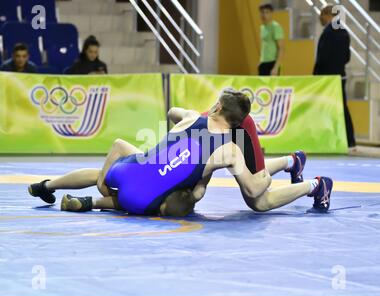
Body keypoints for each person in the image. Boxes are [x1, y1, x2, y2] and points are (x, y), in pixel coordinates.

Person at [28, 89, 333, 216]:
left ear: (215, 107)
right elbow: (255, 183)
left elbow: (173, 111)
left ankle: (309, 178)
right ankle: (304, 174)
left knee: (257, 201)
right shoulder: (228, 149)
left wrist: (180, 127)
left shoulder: (192, 117)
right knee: (248, 192)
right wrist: (263, 176)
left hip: (132, 168)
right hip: (143, 194)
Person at [313, 4, 356, 148]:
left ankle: (328, 141)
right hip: (340, 75)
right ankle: (350, 140)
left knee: (326, 108)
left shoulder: (328, 33)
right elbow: (347, 57)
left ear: (327, 15)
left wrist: (316, 74)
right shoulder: (344, 32)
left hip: (327, 78)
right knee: (343, 108)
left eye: (322, 17)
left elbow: (322, 57)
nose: (321, 20)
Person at [258, 3, 285, 76]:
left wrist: (276, 67)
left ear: (271, 13)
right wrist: (261, 61)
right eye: (262, 12)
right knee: (262, 87)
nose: (264, 15)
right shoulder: (262, 27)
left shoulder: (276, 27)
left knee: (272, 87)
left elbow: (281, 48)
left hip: (272, 63)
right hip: (263, 63)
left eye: (267, 12)